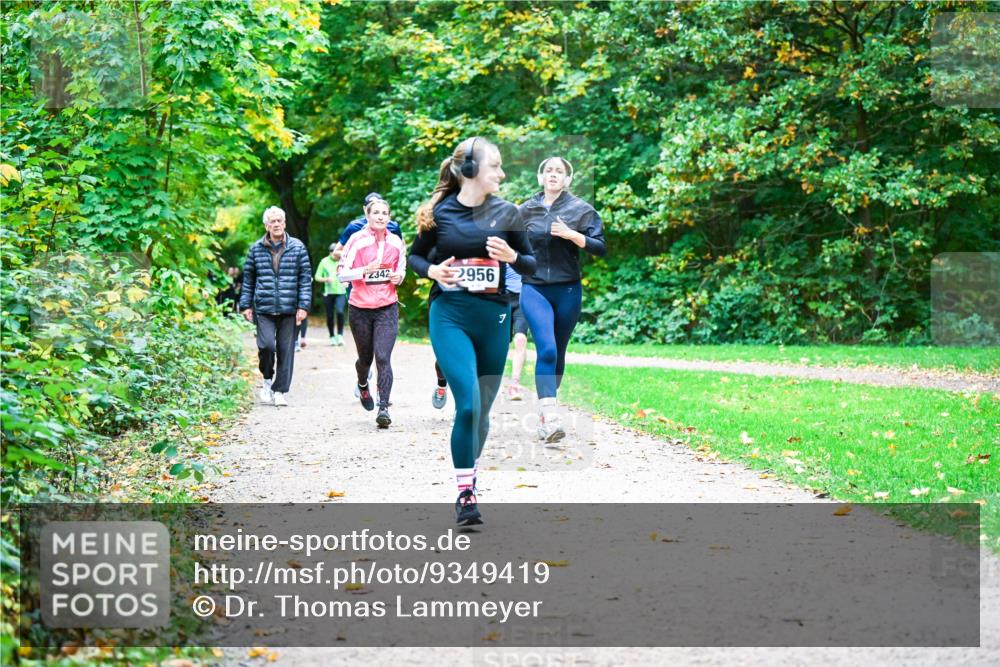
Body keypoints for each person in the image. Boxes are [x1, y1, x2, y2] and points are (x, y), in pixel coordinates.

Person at [409, 137, 536, 526]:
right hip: (450, 315)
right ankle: (465, 493)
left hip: (494, 318)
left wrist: (512, 257)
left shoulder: (509, 214)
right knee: (467, 405)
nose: (502, 173)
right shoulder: (439, 213)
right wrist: (432, 271)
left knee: (482, 413)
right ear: (469, 171)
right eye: (495, 166)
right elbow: (415, 255)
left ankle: (471, 475)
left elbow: (531, 263)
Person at [519, 156, 606, 441]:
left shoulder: (581, 210)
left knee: (558, 351)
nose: (553, 175)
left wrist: (572, 235)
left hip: (568, 290)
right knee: (546, 349)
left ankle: (546, 415)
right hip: (534, 288)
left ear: (568, 179)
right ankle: (552, 415)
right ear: (540, 177)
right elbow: (509, 246)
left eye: (559, 171)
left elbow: (600, 247)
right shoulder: (524, 210)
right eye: (548, 170)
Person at [338, 195, 406, 428]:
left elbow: (401, 270)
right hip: (360, 308)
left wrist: (399, 277)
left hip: (387, 307)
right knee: (365, 358)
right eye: (375, 213)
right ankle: (362, 384)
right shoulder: (356, 240)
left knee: (383, 357)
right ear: (367, 215)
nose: (380, 217)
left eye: (384, 214)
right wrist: (363, 271)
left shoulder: (396, 242)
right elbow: (342, 274)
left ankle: (384, 407)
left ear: (389, 217)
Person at [239, 206, 312, 407]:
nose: (277, 224)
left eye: (280, 220)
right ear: (266, 225)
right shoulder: (256, 248)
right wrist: (245, 305)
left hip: (290, 308)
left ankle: (280, 391)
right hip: (264, 308)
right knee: (267, 346)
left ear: (285, 223)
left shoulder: (298, 247)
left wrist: (303, 306)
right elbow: (249, 279)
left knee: (285, 349)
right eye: (272, 221)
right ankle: (267, 380)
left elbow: (305, 279)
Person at [503, 265, 530, 401]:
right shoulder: (498, 245)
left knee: (520, 339)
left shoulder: (526, 246)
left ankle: (515, 384)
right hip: (503, 298)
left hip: (523, 298)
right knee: (501, 344)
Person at [315, 242, 347, 345]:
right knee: (329, 315)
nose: (337, 257)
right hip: (328, 293)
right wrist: (326, 279)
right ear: (330, 253)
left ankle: (340, 335)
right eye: (335, 255)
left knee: (340, 311)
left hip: (341, 291)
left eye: (338, 255)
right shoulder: (324, 262)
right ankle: (332, 336)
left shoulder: (343, 261)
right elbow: (317, 277)